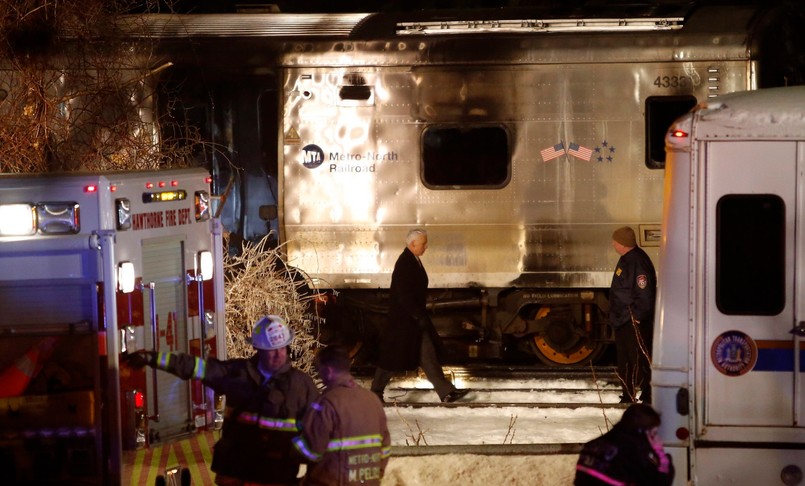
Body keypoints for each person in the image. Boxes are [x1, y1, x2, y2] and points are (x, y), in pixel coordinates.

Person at [126, 315, 319, 486]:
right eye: (272, 349)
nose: (279, 354)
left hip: (278, 475)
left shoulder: (302, 386)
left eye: (282, 348)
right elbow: (193, 367)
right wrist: (152, 358)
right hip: (239, 472)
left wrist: (303, 465)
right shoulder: (238, 375)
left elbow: (316, 433)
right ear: (259, 349)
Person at [370, 228, 470, 403]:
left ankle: (446, 392)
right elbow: (403, 295)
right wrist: (417, 315)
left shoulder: (412, 260)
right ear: (413, 244)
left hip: (412, 320)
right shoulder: (405, 263)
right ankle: (375, 393)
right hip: (404, 321)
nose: (426, 246)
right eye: (423, 243)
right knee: (391, 358)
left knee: (427, 354)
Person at [292, 346, 391, 485]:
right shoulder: (372, 400)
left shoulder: (326, 403)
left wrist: (291, 447)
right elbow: (385, 446)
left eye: (320, 370)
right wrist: (374, 476)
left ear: (328, 370)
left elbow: (312, 451)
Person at [609, 226, 657, 404]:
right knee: (627, 360)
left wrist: (637, 315)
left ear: (622, 243)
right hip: (623, 319)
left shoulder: (637, 261)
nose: (613, 244)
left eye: (615, 241)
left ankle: (647, 395)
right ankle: (629, 394)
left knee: (637, 359)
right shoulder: (628, 259)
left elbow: (645, 293)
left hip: (631, 320)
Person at [574, 403, 674, 485]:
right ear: (644, 432)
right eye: (654, 433)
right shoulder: (632, 452)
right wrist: (660, 452)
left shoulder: (591, 446)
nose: (657, 438)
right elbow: (661, 482)